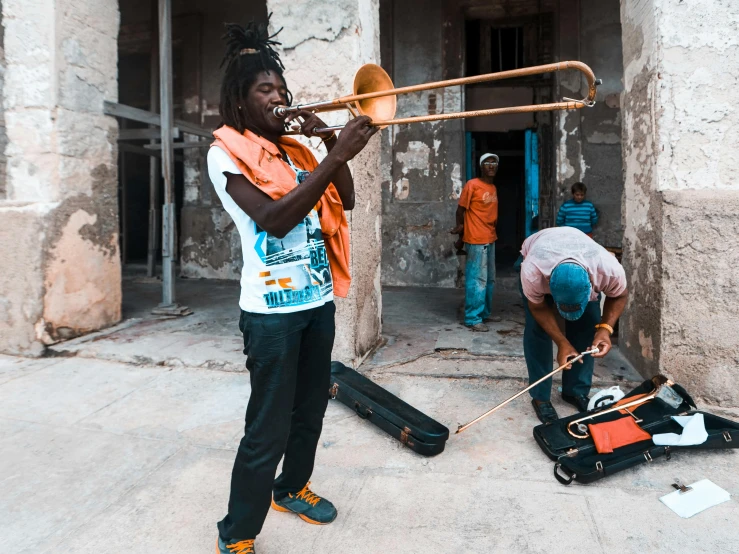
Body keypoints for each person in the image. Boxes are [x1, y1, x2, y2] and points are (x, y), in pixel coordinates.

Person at [208, 21, 378, 554]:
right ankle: (237, 533)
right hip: (271, 315)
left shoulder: (299, 152)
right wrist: (333, 155)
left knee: (311, 410)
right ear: (240, 100)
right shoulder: (225, 155)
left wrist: (327, 139)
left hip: (317, 303)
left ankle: (292, 487)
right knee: (267, 427)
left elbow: (344, 198)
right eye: (266, 90)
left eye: (282, 90)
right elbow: (274, 219)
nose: (278, 99)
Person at [519, 227, 628, 424]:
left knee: (588, 326)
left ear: (590, 284)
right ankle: (540, 397)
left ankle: (575, 391)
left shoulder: (607, 269)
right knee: (537, 331)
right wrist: (562, 342)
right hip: (540, 248)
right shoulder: (532, 272)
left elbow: (619, 295)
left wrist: (605, 329)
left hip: (582, 252)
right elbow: (538, 308)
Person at [450, 153, 499, 332]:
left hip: (490, 236)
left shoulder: (492, 187)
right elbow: (460, 210)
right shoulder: (472, 185)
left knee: (490, 279)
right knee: (477, 279)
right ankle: (472, 318)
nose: (491, 165)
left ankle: (485, 313)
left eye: (494, 162)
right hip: (476, 238)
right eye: (487, 162)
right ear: (481, 166)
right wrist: (460, 231)